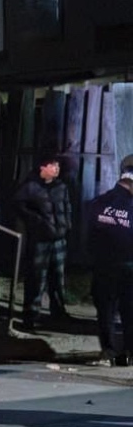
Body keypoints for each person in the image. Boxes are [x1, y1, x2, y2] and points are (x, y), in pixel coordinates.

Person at [12, 153, 73, 330]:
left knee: (58, 278)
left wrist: (68, 224)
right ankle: (31, 315)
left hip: (59, 239)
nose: (57, 169)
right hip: (40, 241)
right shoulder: (30, 187)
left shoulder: (61, 186)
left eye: (58, 166)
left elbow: (67, 206)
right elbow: (17, 205)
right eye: (53, 166)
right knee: (37, 278)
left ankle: (59, 312)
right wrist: (35, 221)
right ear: (43, 167)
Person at [86, 155, 133, 367]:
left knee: (105, 312)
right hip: (128, 268)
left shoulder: (98, 203)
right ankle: (130, 353)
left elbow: (90, 237)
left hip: (103, 267)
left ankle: (109, 351)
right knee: (129, 312)